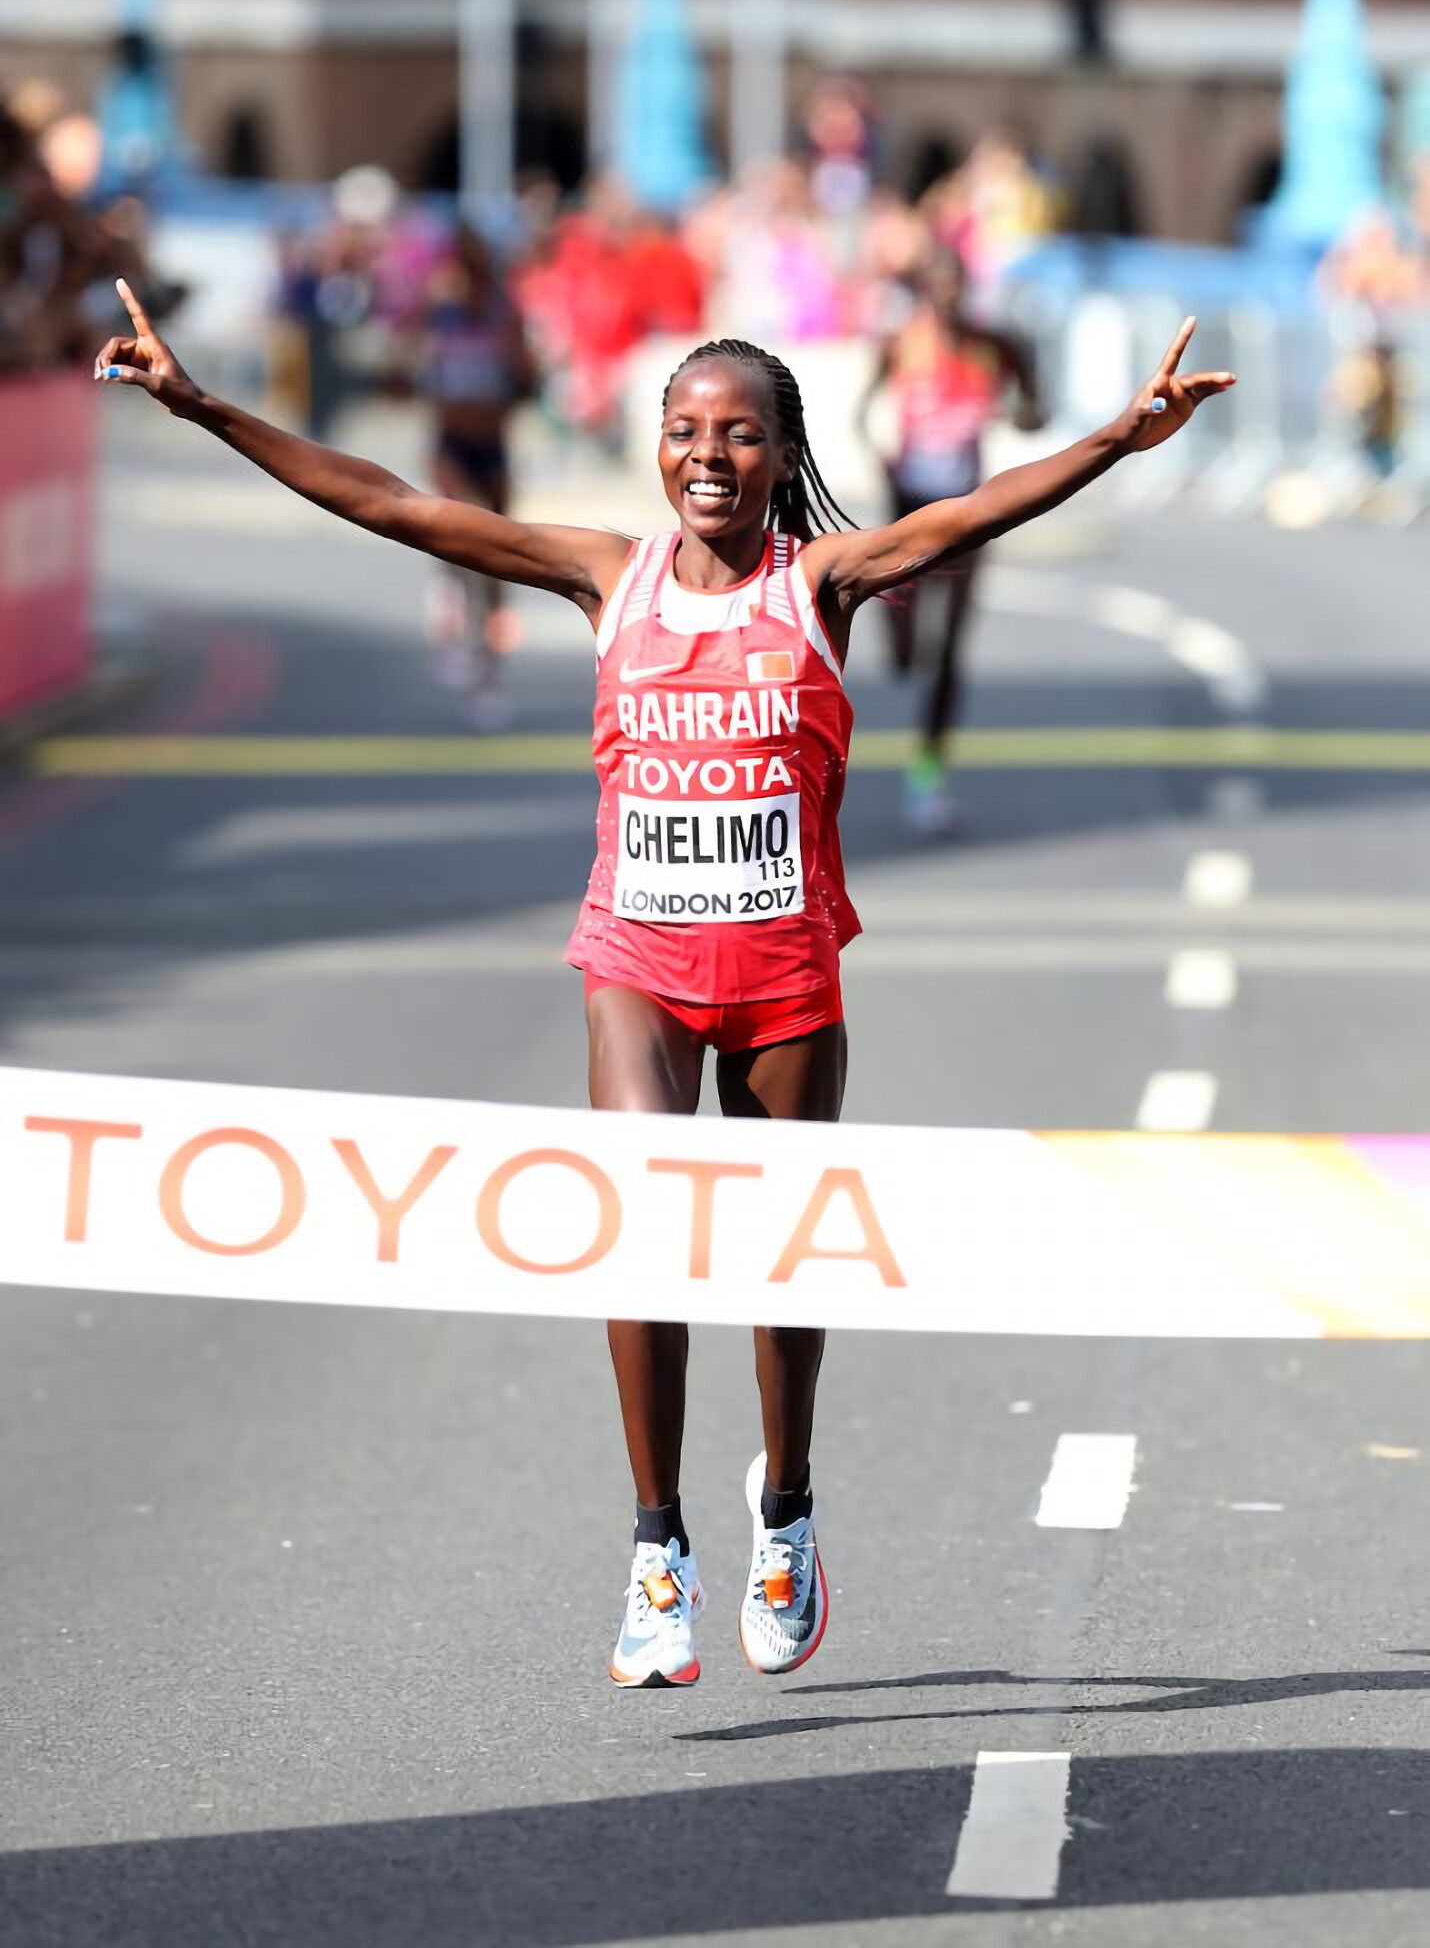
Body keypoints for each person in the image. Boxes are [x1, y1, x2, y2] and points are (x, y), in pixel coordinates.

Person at [98, 279, 1231, 1689]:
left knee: (774, 1259)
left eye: (742, 434)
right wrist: (202, 403)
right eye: (686, 429)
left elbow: (971, 513)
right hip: (633, 961)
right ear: (656, 446)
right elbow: (395, 506)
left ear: (780, 453)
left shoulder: (818, 586)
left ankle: (790, 1507)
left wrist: (1121, 435)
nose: (710, 454)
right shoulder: (604, 576)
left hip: (783, 981)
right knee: (640, 1227)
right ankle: (655, 1548)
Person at [861, 245, 1043, 832]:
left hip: (967, 516)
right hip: (908, 509)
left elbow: (1036, 409)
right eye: (935, 283)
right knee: (906, 653)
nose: (946, 294)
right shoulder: (901, 343)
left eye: (955, 283)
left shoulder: (995, 347)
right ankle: (896, 632)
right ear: (923, 290)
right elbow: (861, 414)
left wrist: (1020, 416)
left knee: (948, 657)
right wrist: (883, 461)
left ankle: (927, 778)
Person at [417, 224, 536, 726]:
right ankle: (454, 617)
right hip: (453, 441)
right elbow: (420, 373)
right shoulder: (440, 310)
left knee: (498, 553)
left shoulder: (504, 313)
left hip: (492, 442)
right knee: (460, 533)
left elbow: (527, 377)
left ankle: (486, 663)